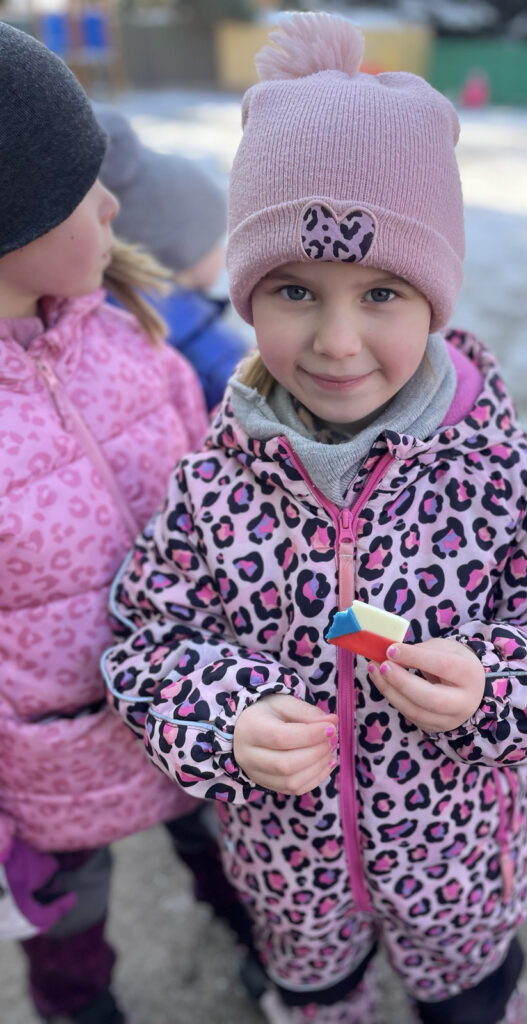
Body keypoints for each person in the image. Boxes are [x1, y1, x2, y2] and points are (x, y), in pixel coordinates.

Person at [101, 12, 527, 1024]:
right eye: (295, 289)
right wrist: (226, 717)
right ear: (246, 294)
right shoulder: (212, 487)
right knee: (320, 1003)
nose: (338, 340)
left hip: (461, 878)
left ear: (435, 300)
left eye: (383, 292)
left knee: (472, 1004)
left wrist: (495, 685)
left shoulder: (501, 479)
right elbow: (145, 646)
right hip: (292, 885)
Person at [0, 23, 262, 1024]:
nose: (114, 204)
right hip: (49, 767)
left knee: (226, 854)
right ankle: (80, 1008)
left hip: (191, 706)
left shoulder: (133, 335)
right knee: (68, 923)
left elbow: (216, 504)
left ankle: (260, 938)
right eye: (84, 188)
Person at [93, 103, 250, 412]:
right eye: (215, 239)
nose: (223, 252)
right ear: (177, 252)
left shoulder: (104, 312)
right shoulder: (208, 341)